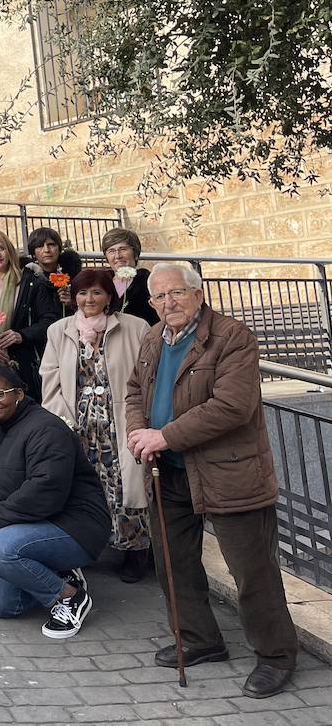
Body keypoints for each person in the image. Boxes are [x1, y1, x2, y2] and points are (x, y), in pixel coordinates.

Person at [124, 263, 299, 699]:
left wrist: (163, 435)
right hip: (169, 471)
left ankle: (276, 655)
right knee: (172, 563)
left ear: (198, 294)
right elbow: (133, 390)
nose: (169, 303)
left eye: (178, 293)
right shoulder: (152, 338)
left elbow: (232, 407)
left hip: (230, 472)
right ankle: (201, 640)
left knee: (252, 570)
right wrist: (136, 432)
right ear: (151, 303)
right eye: (160, 297)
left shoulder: (233, 337)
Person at [0, 365, 110, 639]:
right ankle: (58, 571)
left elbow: (46, 489)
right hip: (30, 522)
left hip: (74, 526)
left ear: (19, 393)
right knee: (3, 603)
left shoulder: (46, 428)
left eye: (0, 393)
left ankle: (70, 596)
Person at [41, 268, 151, 582]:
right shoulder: (60, 330)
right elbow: (50, 381)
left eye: (97, 292)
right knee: (87, 490)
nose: (89, 299)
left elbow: (146, 376)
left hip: (122, 421)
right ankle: (87, 548)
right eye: (83, 293)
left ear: (109, 296)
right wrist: (62, 420)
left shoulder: (135, 327)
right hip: (79, 424)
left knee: (125, 488)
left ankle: (134, 551)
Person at [0, 230, 61, 402]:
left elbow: (50, 321)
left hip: (21, 364)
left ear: (9, 252)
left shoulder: (30, 282)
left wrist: (21, 335)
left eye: (1, 248)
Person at [100, 227, 159, 326]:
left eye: (123, 249)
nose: (117, 256)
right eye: (111, 251)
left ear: (135, 253)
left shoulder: (149, 282)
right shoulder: (101, 283)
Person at [24, 227, 83, 311]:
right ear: (33, 253)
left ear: (59, 249)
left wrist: (73, 303)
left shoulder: (75, 277)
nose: (47, 250)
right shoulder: (27, 278)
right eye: (40, 246)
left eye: (51, 244)